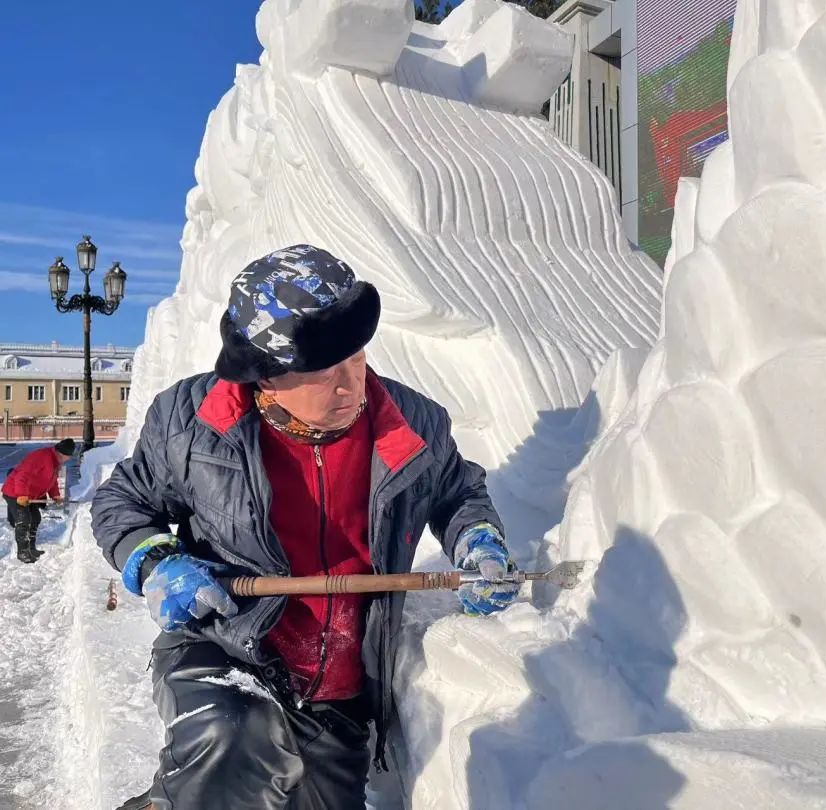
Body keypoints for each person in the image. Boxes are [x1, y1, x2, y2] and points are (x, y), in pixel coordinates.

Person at [92, 245, 520, 810]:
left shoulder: (412, 423)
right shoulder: (191, 423)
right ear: (264, 377)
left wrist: (476, 541)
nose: (351, 384)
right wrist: (155, 560)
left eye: (356, 357)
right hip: (227, 648)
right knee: (232, 738)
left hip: (339, 687)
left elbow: (458, 492)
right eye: (322, 371)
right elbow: (124, 500)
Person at [3, 438, 73, 563]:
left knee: (35, 518)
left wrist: (55, 496)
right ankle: (23, 552)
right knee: (23, 520)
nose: (67, 460)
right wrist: (21, 495)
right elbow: (22, 475)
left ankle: (31, 547)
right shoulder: (42, 457)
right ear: (60, 453)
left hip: (29, 495)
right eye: (67, 457)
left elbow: (52, 481)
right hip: (15, 493)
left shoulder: (55, 461)